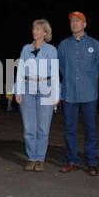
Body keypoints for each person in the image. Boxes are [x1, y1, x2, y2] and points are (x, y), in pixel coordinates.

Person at [58, 12, 99, 176]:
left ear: (85, 24)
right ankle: (72, 161)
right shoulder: (63, 45)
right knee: (70, 129)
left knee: (90, 129)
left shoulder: (94, 44)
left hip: (89, 93)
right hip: (69, 93)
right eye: (72, 21)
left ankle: (91, 162)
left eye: (78, 21)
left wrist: (87, 80)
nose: (74, 24)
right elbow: (62, 68)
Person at [15, 19, 60, 172]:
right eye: (34, 29)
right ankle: (31, 158)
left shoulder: (52, 50)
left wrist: (56, 95)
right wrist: (18, 91)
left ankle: (40, 159)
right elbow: (20, 70)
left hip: (46, 89)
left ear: (45, 33)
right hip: (27, 89)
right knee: (29, 128)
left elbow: (54, 73)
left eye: (39, 29)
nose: (35, 32)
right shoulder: (26, 49)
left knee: (43, 128)